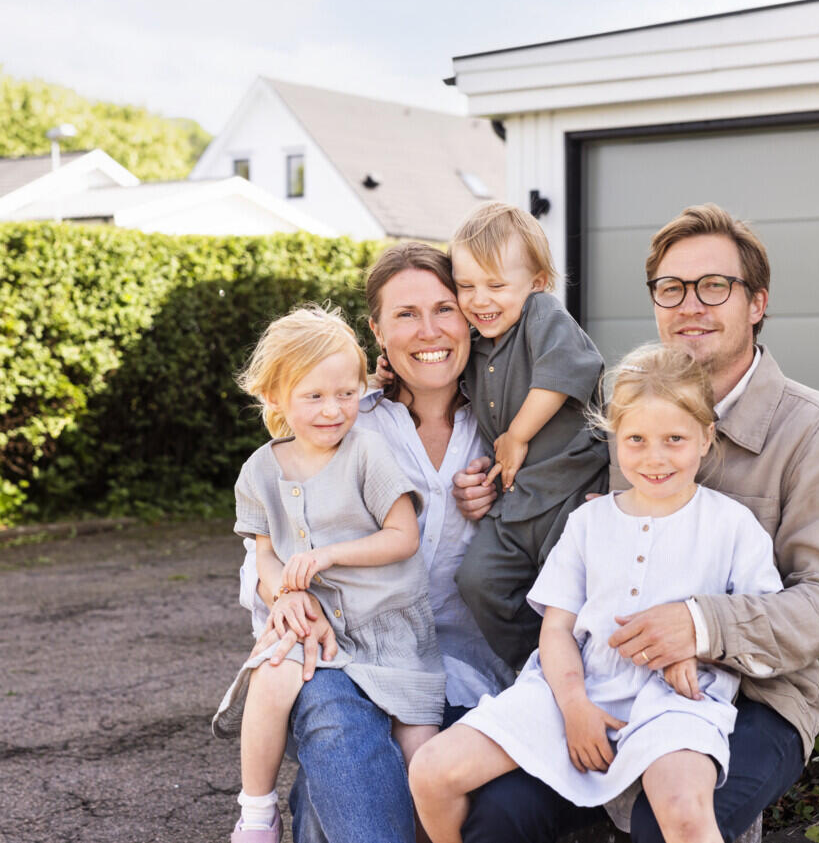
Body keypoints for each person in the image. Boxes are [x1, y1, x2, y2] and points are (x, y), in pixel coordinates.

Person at [453, 203, 819, 843]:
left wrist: (700, 624)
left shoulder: (814, 433)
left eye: (714, 287)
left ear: (756, 303)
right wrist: (490, 493)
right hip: (615, 684)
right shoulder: (636, 402)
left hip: (760, 697)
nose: (690, 305)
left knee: (660, 820)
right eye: (671, 289)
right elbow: (575, 506)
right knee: (497, 813)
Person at [411, 344, 783, 843]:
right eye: (636, 439)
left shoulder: (732, 525)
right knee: (432, 770)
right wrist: (574, 706)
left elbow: (761, 618)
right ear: (614, 439)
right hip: (576, 686)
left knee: (683, 809)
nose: (654, 458)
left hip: (674, 698)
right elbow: (557, 627)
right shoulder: (589, 522)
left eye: (674, 438)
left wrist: (697, 644)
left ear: (705, 437)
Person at [237, 243, 513, 843]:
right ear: (377, 333)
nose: (429, 330)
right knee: (334, 713)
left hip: (459, 667)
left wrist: (504, 500)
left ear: (469, 316)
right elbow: (268, 544)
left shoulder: (509, 429)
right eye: (405, 315)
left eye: (445, 308)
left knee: (338, 785)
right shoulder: (343, 419)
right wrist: (285, 594)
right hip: (340, 643)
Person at [213, 304, 442, 842]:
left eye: (345, 394)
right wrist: (283, 596)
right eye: (313, 396)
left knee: (422, 758)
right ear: (275, 398)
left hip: (392, 631)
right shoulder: (260, 469)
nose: (333, 410)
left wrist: (332, 555)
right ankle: (256, 810)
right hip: (319, 632)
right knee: (272, 673)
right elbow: (264, 554)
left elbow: (402, 536)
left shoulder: (367, 452)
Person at [450, 201, 609, 669]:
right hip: (516, 503)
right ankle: (534, 667)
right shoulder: (476, 342)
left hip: (571, 492)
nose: (480, 300)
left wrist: (517, 434)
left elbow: (566, 369)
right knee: (478, 582)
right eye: (466, 286)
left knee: (572, 594)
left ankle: (586, 672)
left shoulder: (543, 315)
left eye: (496, 285)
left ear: (537, 281)